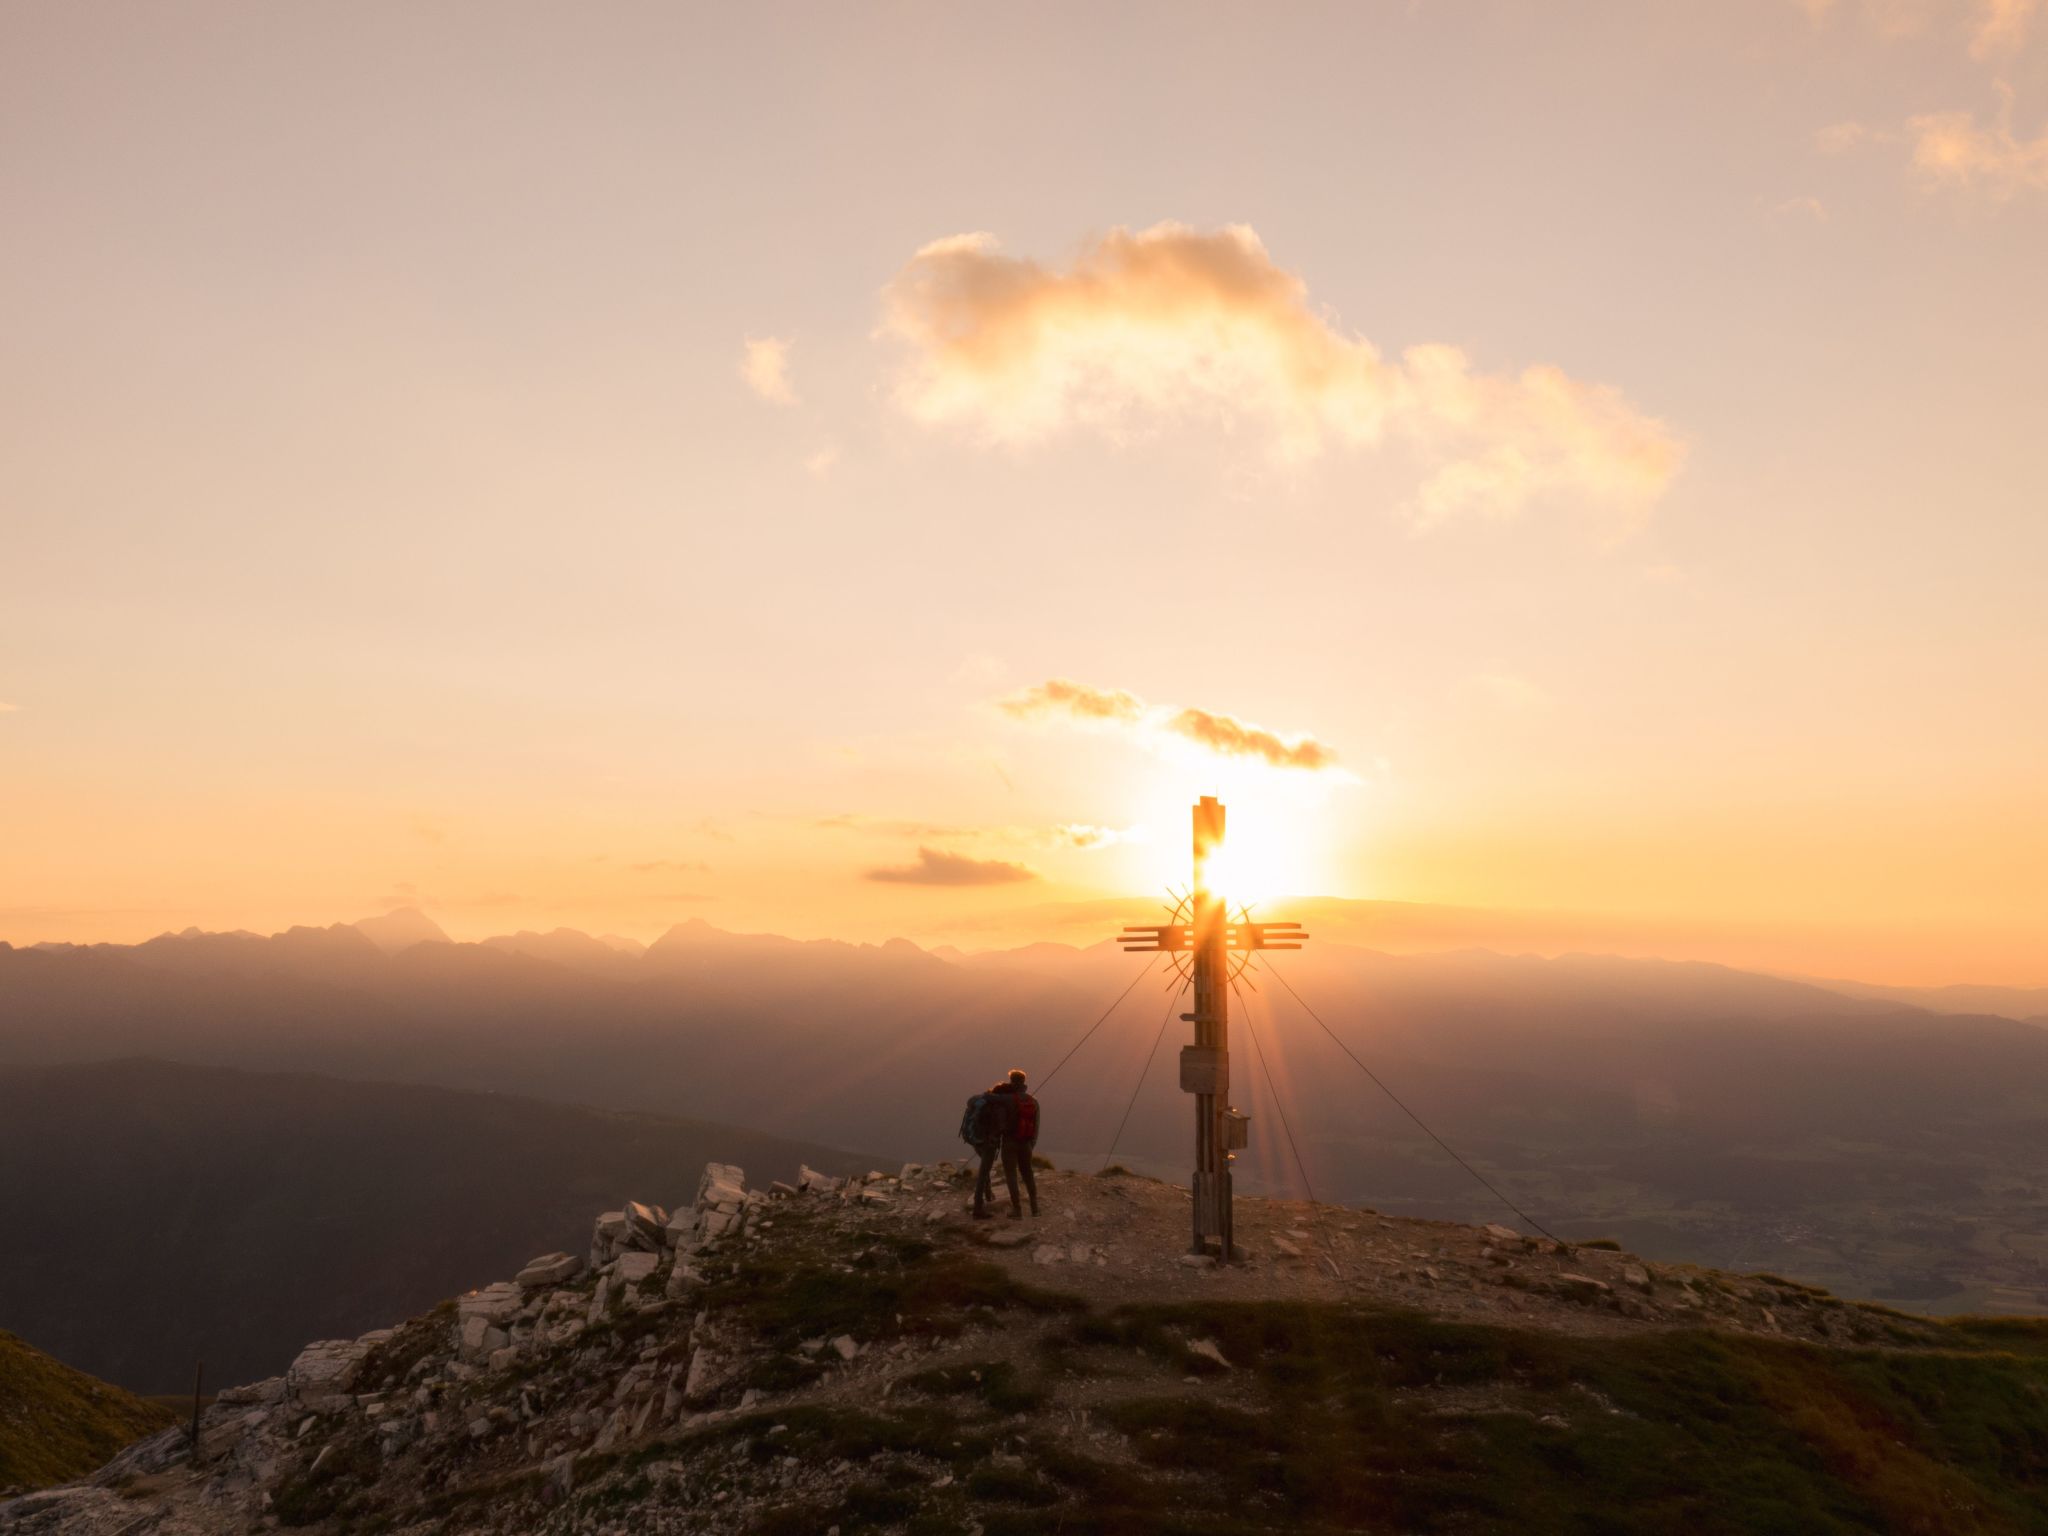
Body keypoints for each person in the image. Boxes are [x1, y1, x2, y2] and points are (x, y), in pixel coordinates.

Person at [992, 1068, 1040, 1218]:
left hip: (1010, 1142)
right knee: (1028, 1173)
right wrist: (1031, 1144)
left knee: (1011, 1174)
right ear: (1024, 1082)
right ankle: (1035, 1208)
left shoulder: (1006, 1098)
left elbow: (988, 1098)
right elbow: (1036, 1126)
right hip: (1026, 1143)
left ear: (1012, 1081)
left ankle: (1017, 1210)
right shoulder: (1034, 1101)